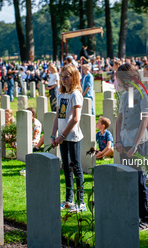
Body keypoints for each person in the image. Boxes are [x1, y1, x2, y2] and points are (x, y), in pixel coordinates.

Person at [115, 63, 148, 231]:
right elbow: (119, 119)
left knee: (140, 181)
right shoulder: (125, 96)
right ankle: (133, 214)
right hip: (124, 142)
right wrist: (117, 141)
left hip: (139, 143)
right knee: (127, 180)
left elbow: (144, 122)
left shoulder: (144, 94)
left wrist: (135, 145)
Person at [50, 64, 86, 212]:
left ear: (74, 77)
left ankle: (81, 201)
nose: (63, 80)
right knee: (66, 168)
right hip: (62, 137)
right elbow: (58, 116)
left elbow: (75, 118)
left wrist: (62, 135)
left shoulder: (75, 94)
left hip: (72, 136)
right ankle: (69, 200)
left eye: (67, 77)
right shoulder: (61, 94)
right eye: (62, 77)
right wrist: (53, 135)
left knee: (75, 167)